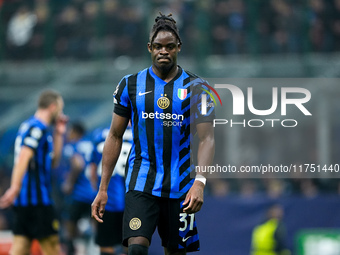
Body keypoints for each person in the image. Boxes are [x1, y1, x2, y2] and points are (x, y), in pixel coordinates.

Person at [91, 12, 215, 255]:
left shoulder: (198, 88)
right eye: (158, 46)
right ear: (149, 48)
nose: (164, 51)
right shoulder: (130, 84)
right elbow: (115, 136)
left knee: (175, 251)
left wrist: (199, 182)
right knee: (136, 250)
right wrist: (103, 188)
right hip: (141, 183)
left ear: (179, 47)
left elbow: (207, 138)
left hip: (181, 187)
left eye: (169, 46)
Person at [0, 89, 67, 255]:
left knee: (21, 246)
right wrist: (14, 187)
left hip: (25, 202)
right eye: (60, 108)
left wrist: (59, 134)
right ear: (52, 107)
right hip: (38, 201)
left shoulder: (31, 127)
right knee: (52, 245)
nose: (61, 113)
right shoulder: (37, 128)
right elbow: (24, 156)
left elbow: (53, 162)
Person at [89, 126, 132, 255]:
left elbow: (92, 168)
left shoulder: (100, 134)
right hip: (132, 201)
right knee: (132, 243)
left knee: (106, 245)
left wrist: (96, 190)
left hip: (106, 200)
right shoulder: (140, 131)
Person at [59, 122, 96, 255]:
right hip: (93, 193)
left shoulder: (72, 146)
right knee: (94, 222)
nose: (68, 134)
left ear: (75, 132)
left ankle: (72, 248)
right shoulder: (91, 145)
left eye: (70, 131)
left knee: (68, 221)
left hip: (78, 194)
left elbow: (78, 164)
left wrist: (69, 182)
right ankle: (92, 246)